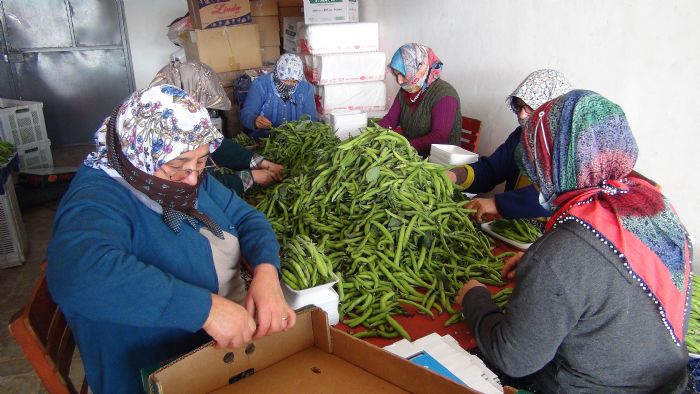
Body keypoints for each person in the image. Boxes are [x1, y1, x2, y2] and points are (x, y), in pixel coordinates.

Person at [46, 85, 296, 393]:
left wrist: (266, 272)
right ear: (141, 155)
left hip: (214, 349)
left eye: (202, 161)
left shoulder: (182, 179)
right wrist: (204, 309)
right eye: (178, 167)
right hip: (159, 371)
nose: (193, 178)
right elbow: (77, 274)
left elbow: (247, 218)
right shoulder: (98, 198)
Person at [456, 90, 692, 392]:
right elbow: (604, 284)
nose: (537, 178)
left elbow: (513, 357)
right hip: (668, 383)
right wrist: (543, 274)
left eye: (537, 166)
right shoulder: (655, 207)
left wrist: (475, 299)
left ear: (559, 161)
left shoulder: (563, 251)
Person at [448, 69, 572, 220]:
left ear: (554, 111)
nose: (521, 114)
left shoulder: (572, 150)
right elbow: (492, 170)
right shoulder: (522, 136)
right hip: (511, 224)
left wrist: (497, 204)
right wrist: (456, 176)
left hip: (549, 234)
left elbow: (558, 196)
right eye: (520, 106)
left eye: (530, 107)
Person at [150, 60, 284, 195]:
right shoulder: (163, 137)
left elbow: (215, 144)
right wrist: (251, 177)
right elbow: (200, 188)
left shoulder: (181, 120)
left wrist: (262, 163)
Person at [378, 43, 461, 157]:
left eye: (403, 74)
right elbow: (390, 120)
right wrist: (374, 134)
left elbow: (440, 136)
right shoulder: (406, 90)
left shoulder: (444, 95)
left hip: (440, 162)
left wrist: (405, 146)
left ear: (419, 68)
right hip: (411, 156)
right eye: (396, 75)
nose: (399, 81)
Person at [240, 53, 318, 139]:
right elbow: (246, 113)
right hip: (264, 138)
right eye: (285, 80)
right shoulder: (260, 85)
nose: (289, 84)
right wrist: (254, 120)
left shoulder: (306, 89)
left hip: (296, 139)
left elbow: (311, 120)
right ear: (277, 74)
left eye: (294, 81)